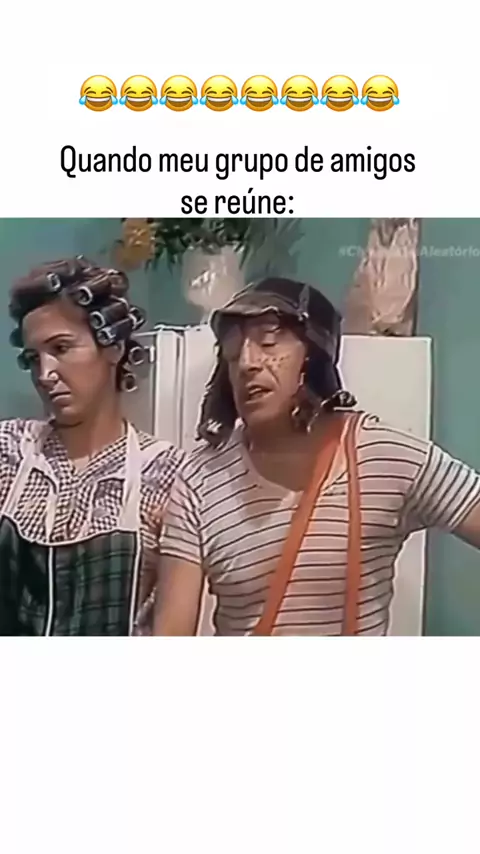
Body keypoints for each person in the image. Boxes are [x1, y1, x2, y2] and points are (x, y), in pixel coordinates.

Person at [154, 276, 480, 636]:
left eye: (268, 341)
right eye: (233, 349)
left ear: (314, 355)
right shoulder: (199, 479)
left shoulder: (384, 456)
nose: (247, 363)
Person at [0, 256, 184, 635]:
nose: (45, 374)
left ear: (113, 348)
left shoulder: (167, 473)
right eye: (33, 358)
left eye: (61, 348)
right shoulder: (9, 451)